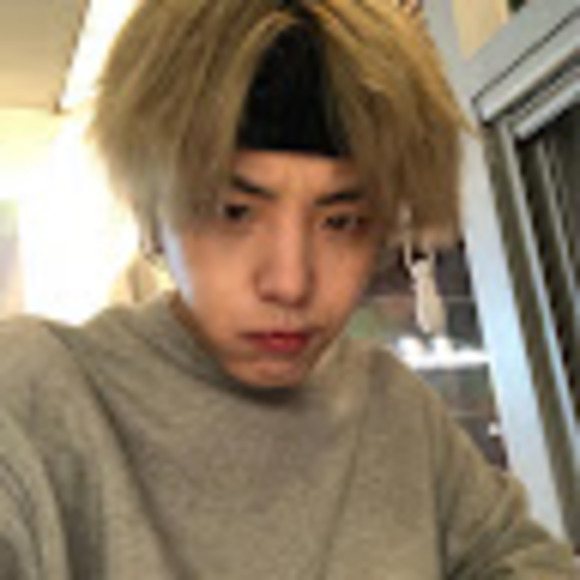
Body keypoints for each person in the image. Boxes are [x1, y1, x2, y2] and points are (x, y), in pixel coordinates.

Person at [0, 0, 575, 578]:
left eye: (342, 221)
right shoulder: (37, 398)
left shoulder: (395, 410)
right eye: (233, 211)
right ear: (153, 213)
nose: (291, 283)